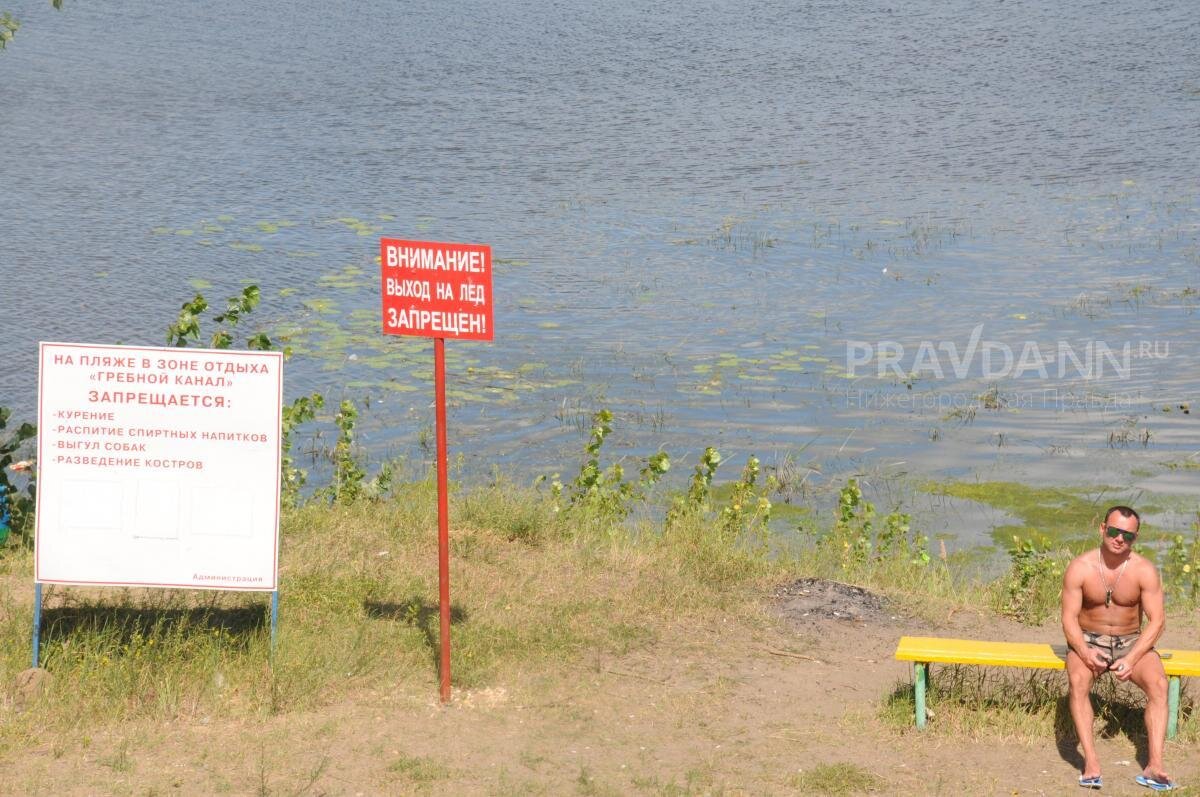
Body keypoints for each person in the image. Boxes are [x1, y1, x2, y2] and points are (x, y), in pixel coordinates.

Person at [1061, 506, 1173, 791]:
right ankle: (1091, 763)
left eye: (1128, 535)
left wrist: (1132, 657)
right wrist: (1085, 653)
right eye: (1113, 531)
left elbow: (1157, 621)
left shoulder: (1143, 570)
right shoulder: (1080, 567)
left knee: (1159, 684)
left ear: (1136, 538)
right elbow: (1069, 620)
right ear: (1102, 529)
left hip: (1130, 641)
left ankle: (1155, 766)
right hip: (1089, 640)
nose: (1119, 538)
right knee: (1077, 681)